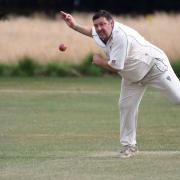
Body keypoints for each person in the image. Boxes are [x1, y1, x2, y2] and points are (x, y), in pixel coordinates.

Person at [60, 10, 180, 158]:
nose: (99, 28)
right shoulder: (100, 32)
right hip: (132, 75)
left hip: (154, 67)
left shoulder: (120, 37)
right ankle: (129, 146)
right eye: (96, 25)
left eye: (102, 24)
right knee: (126, 106)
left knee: (178, 98)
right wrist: (74, 25)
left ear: (112, 23)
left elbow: (116, 67)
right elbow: (91, 32)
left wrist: (100, 61)